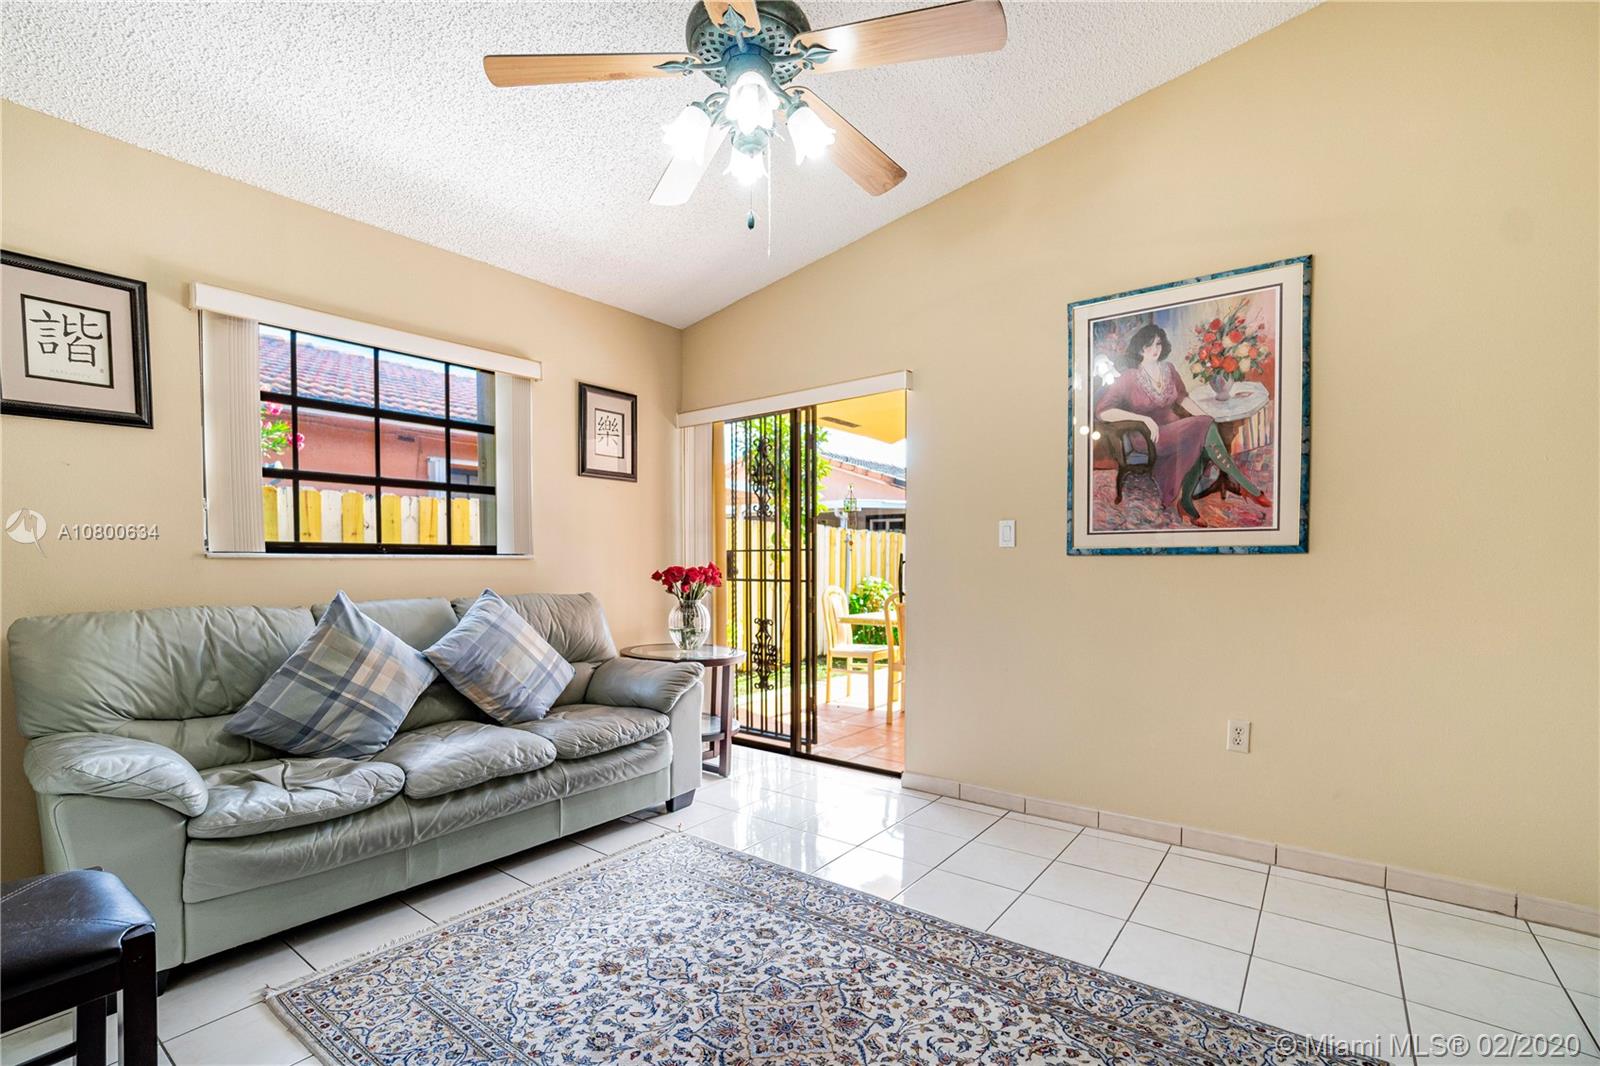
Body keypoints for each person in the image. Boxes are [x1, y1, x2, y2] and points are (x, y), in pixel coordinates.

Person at [1094, 323, 1270, 527]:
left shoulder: (1169, 369)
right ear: (1140, 349)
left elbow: (1183, 399)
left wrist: (1207, 419)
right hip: (1148, 436)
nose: (1155, 349)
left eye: (1158, 344)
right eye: (1149, 345)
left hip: (1175, 429)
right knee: (1203, 431)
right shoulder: (1128, 378)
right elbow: (1103, 411)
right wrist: (1143, 420)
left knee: (1204, 436)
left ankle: (1185, 503)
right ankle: (1245, 486)